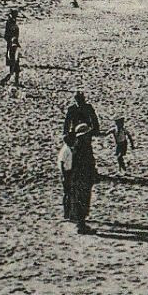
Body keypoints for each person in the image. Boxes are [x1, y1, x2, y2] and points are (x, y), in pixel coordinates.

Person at [61, 92, 100, 229]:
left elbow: (94, 121)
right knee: (81, 196)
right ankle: (79, 221)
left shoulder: (87, 108)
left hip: (83, 133)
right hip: (77, 135)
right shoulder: (72, 109)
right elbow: (67, 123)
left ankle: (76, 218)